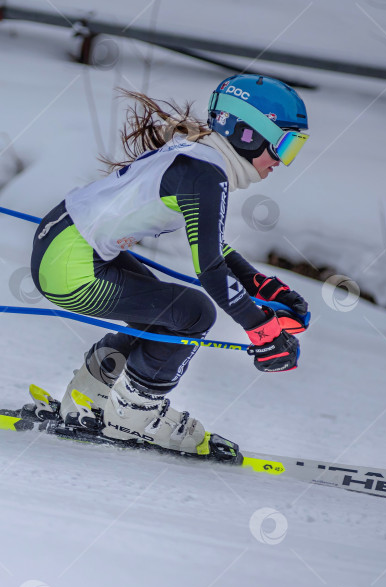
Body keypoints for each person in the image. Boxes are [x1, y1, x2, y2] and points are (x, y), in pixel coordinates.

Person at [30, 74, 310, 456]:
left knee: (167, 315)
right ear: (248, 134)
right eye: (285, 145)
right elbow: (210, 269)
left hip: (66, 247)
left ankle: (91, 393)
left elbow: (212, 245)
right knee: (193, 314)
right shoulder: (206, 174)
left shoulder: (201, 159)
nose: (283, 161)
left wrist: (264, 288)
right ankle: (133, 418)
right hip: (72, 266)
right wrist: (262, 332)